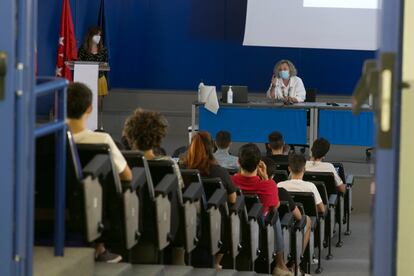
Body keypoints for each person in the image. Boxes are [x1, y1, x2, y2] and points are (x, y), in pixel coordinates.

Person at [67, 82, 132, 263]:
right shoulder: (101, 140)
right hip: (90, 208)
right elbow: (127, 176)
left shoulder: (47, 137)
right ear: (89, 108)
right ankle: (100, 245)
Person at [123, 108, 186, 265]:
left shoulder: (123, 163)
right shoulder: (169, 165)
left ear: (130, 134)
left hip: (127, 221)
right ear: (158, 136)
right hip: (161, 225)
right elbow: (179, 196)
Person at [231, 144, 292, 276]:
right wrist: (265, 178)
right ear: (259, 164)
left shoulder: (231, 182)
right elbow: (275, 206)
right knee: (274, 216)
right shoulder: (268, 185)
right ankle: (280, 264)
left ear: (238, 162)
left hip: (234, 227)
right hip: (260, 231)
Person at [181, 131, 237, 270]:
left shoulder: (183, 169)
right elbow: (232, 198)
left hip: (187, 220)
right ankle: (217, 262)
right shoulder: (219, 172)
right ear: (211, 147)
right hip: (215, 224)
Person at [262, 157, 311, 257]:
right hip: (278, 229)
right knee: (307, 220)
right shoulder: (280, 191)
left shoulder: (280, 185)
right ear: (273, 175)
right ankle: (296, 262)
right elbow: (299, 217)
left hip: (259, 228)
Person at [78, 26, 108, 111]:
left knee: (96, 106)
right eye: (97, 35)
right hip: (86, 79)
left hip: (99, 79)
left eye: (100, 35)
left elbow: (105, 64)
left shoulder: (103, 50)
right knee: (85, 103)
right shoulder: (83, 49)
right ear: (90, 36)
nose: (99, 37)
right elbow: (78, 63)